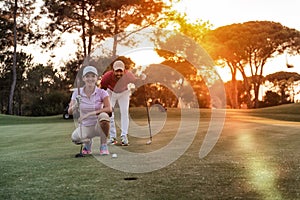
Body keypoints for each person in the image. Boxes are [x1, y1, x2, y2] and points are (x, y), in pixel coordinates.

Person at [68, 65, 112, 155]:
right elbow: (69, 112)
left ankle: (103, 145)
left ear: (97, 78)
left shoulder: (102, 92)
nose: (90, 79)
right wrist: (76, 105)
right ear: (83, 78)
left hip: (98, 126)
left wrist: (89, 114)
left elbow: (109, 109)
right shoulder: (77, 92)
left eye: (93, 76)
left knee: (104, 116)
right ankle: (87, 143)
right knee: (75, 138)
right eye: (87, 76)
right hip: (85, 127)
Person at [100, 59, 145, 146]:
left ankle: (124, 136)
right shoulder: (107, 77)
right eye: (117, 71)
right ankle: (112, 137)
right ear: (113, 71)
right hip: (111, 92)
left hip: (124, 92)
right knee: (109, 113)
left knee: (124, 113)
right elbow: (103, 88)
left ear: (124, 70)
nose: (119, 74)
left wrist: (142, 79)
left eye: (121, 71)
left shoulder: (129, 75)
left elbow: (136, 82)